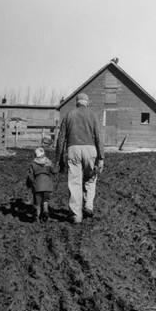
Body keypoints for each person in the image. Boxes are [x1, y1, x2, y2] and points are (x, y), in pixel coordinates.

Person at [55, 93, 104, 223]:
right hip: (90, 150)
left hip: (73, 149)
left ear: (77, 102)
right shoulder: (93, 115)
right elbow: (99, 137)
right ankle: (88, 205)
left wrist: (59, 159)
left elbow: (61, 139)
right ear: (87, 102)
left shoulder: (69, 115)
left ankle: (76, 215)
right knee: (91, 178)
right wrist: (101, 157)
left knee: (75, 182)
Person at [26, 147, 58, 222]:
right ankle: (46, 212)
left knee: (37, 203)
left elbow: (30, 176)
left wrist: (30, 184)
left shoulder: (33, 164)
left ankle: (37, 216)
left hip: (37, 185)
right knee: (45, 200)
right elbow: (55, 171)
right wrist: (57, 166)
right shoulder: (48, 162)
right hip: (47, 186)